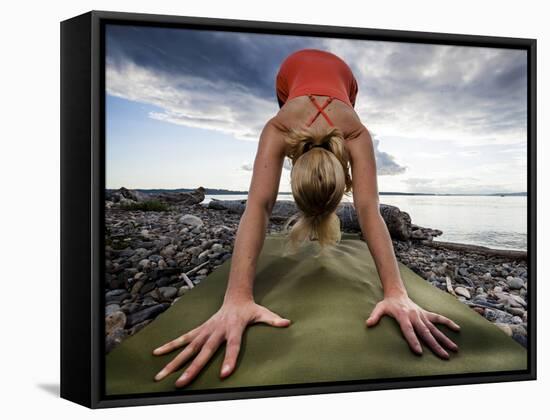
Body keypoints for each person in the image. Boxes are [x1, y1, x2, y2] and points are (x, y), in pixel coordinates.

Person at [152, 48, 461, 388]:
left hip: (343, 81)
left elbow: (263, 205)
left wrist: (396, 292)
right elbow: (362, 208)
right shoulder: (294, 126)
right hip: (291, 78)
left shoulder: (342, 131)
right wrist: (236, 298)